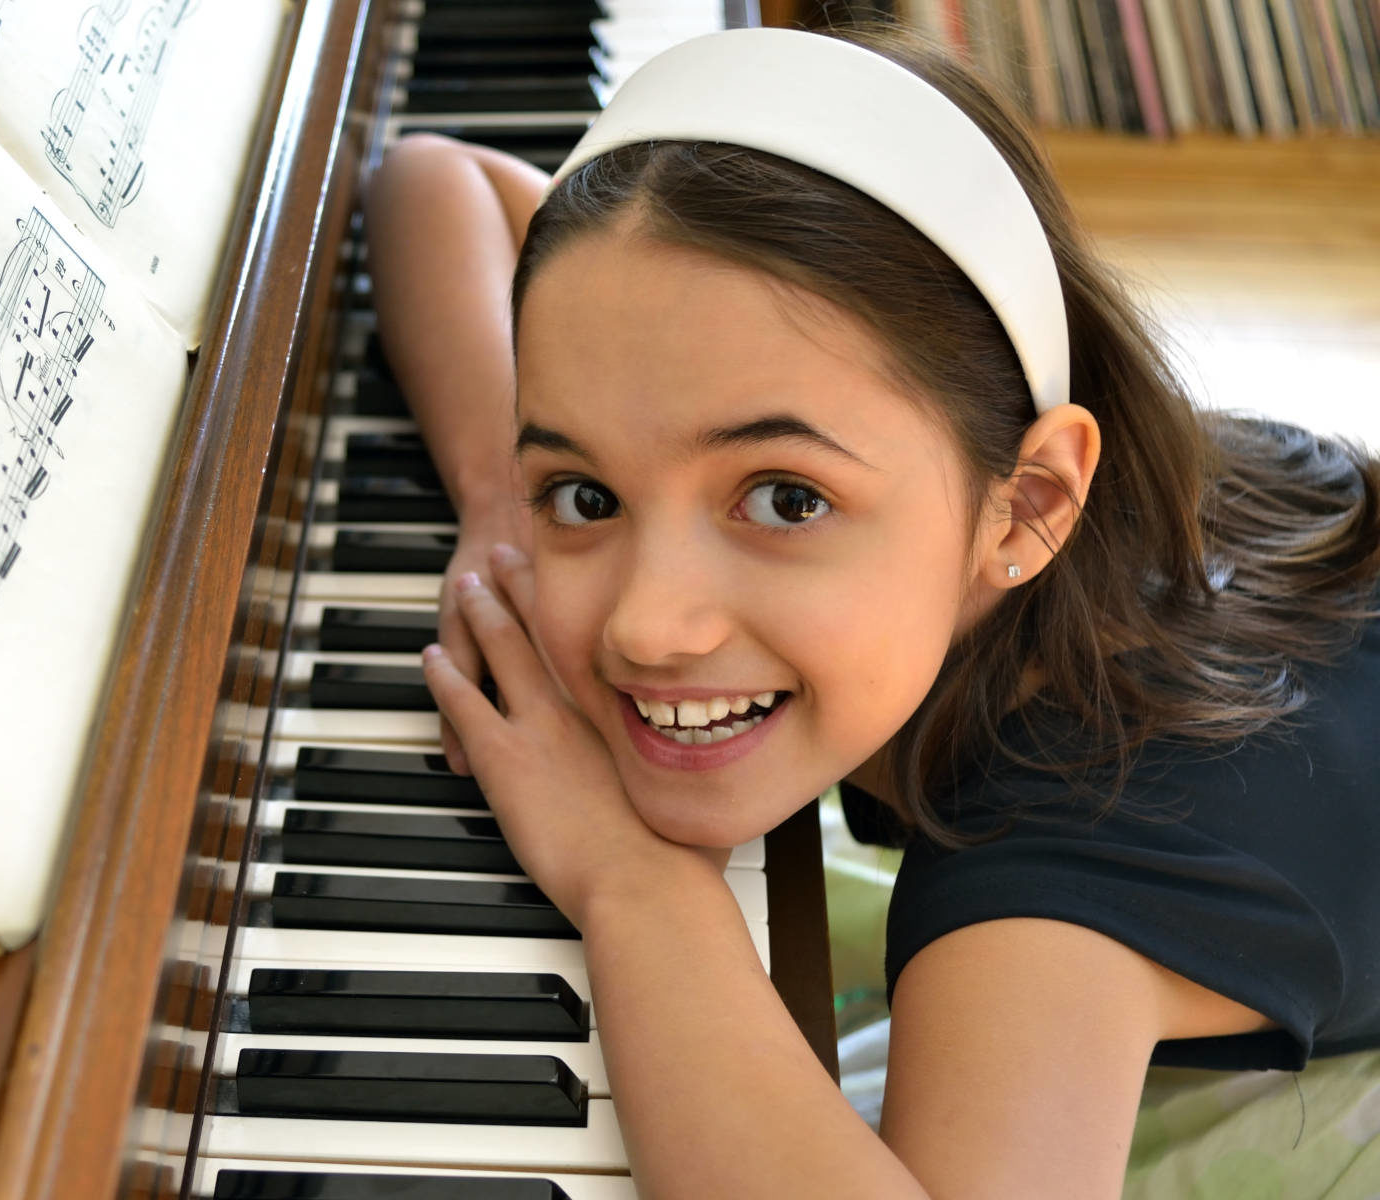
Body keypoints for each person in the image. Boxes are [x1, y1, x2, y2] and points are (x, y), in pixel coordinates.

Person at [361, 22, 1380, 1198]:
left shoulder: (1057, 879)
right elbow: (429, 180)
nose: (646, 624)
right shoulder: (1017, 503)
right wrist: (502, 497)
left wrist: (629, 880)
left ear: (1025, 507)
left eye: (784, 499)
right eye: (585, 493)